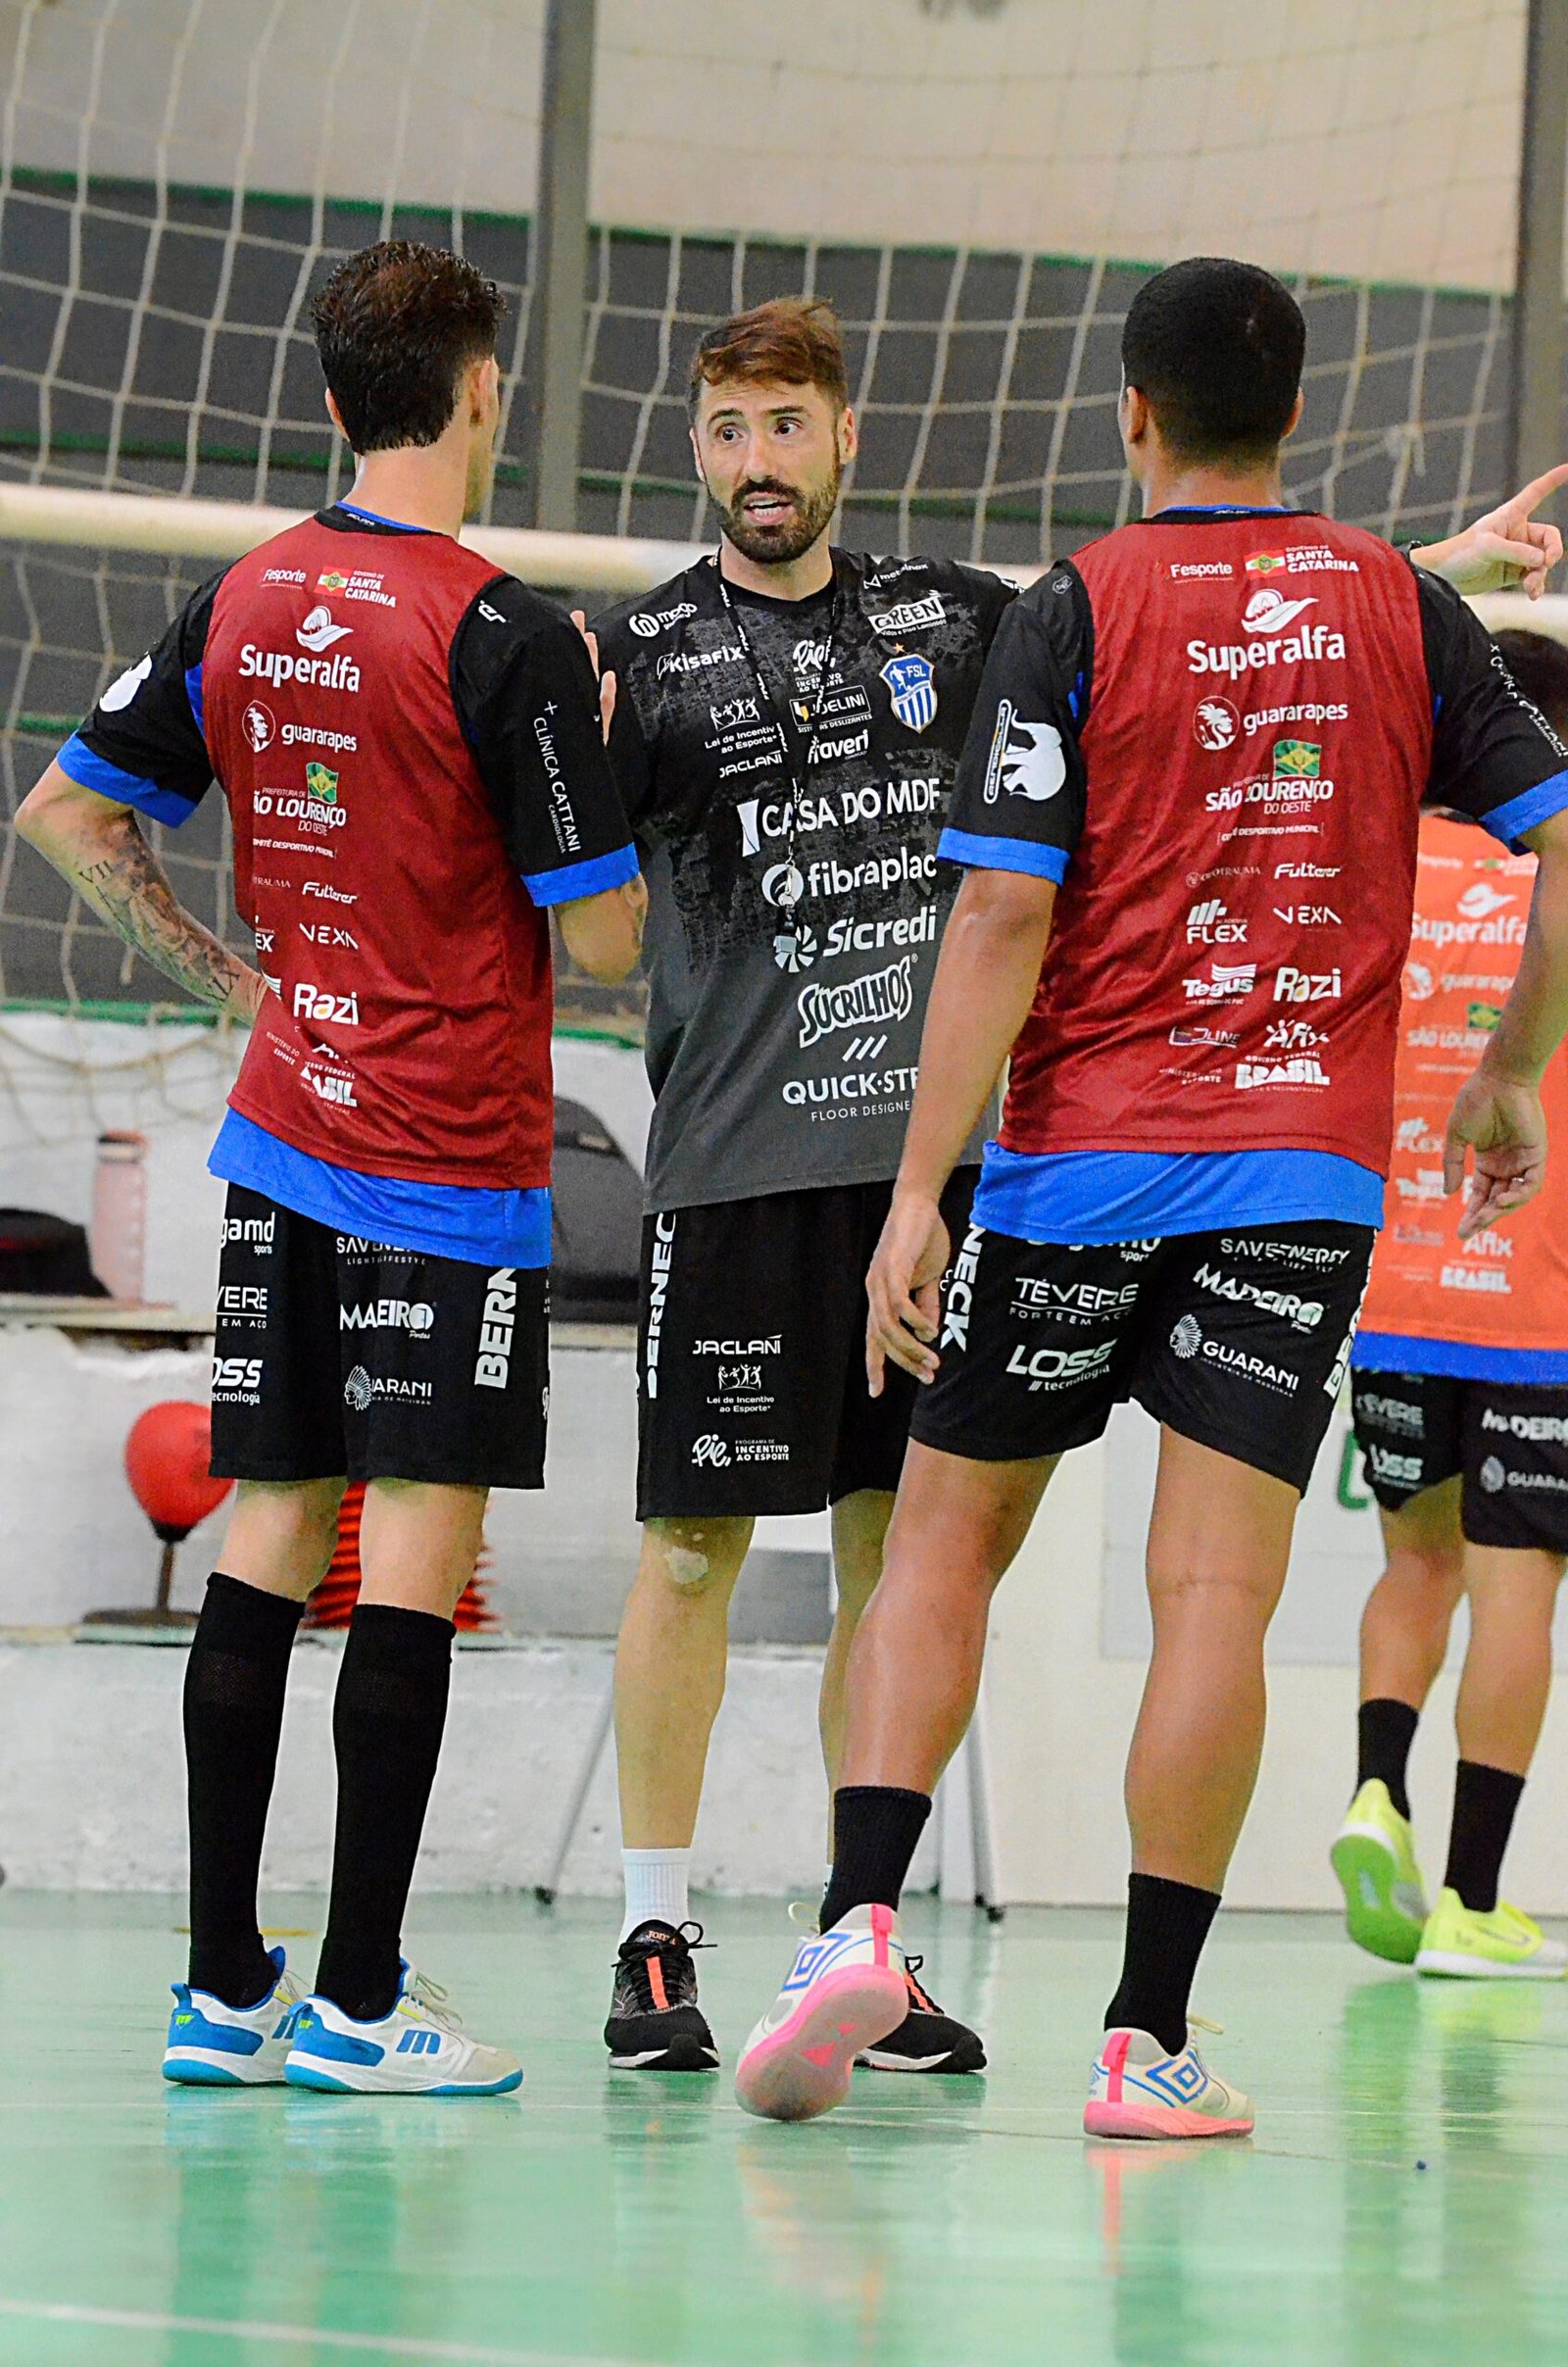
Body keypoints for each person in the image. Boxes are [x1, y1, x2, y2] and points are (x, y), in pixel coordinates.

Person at [730, 255, 1568, 2134]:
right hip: (1297, 1175)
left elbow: (1000, 913)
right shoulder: (1400, 605)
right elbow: (1559, 833)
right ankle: (1146, 2038)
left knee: (941, 1546)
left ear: (1130, 409)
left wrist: (919, 1189)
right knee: (1212, 1594)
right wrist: (1510, 1068)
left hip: (1072, 1163)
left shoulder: (1075, 604)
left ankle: (858, 1921)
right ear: (1299, 412)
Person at [17, 240, 644, 2096]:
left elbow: (65, 813)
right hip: (447, 1165)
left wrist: (233, 981)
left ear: (328, 399)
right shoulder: (509, 637)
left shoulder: (243, 597)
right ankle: (361, 2004)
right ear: (484, 391)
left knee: (271, 1529)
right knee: (415, 1556)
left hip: (284, 1136)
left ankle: (221, 1988)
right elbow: (603, 939)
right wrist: (600, 758)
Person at [589, 297, 1013, 2073]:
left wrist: (1429, 573)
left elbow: (1173, 620)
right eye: (727, 428)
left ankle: (861, 1936)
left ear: (847, 437)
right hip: (733, 1170)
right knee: (692, 1557)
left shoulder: (956, 621)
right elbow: (587, 920)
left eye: (786, 424)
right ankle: (653, 1936)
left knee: (889, 1560)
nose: (756, 461)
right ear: (696, 449)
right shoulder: (635, 657)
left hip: (918, 1179)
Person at [1333, 627, 1568, 1980]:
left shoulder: (1391, 869)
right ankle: (1474, 1901)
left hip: (1396, 1294)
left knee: (1412, 1566)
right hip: (1537, 1308)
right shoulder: (1562, 878)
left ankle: (1377, 1793)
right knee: (1515, 1590)